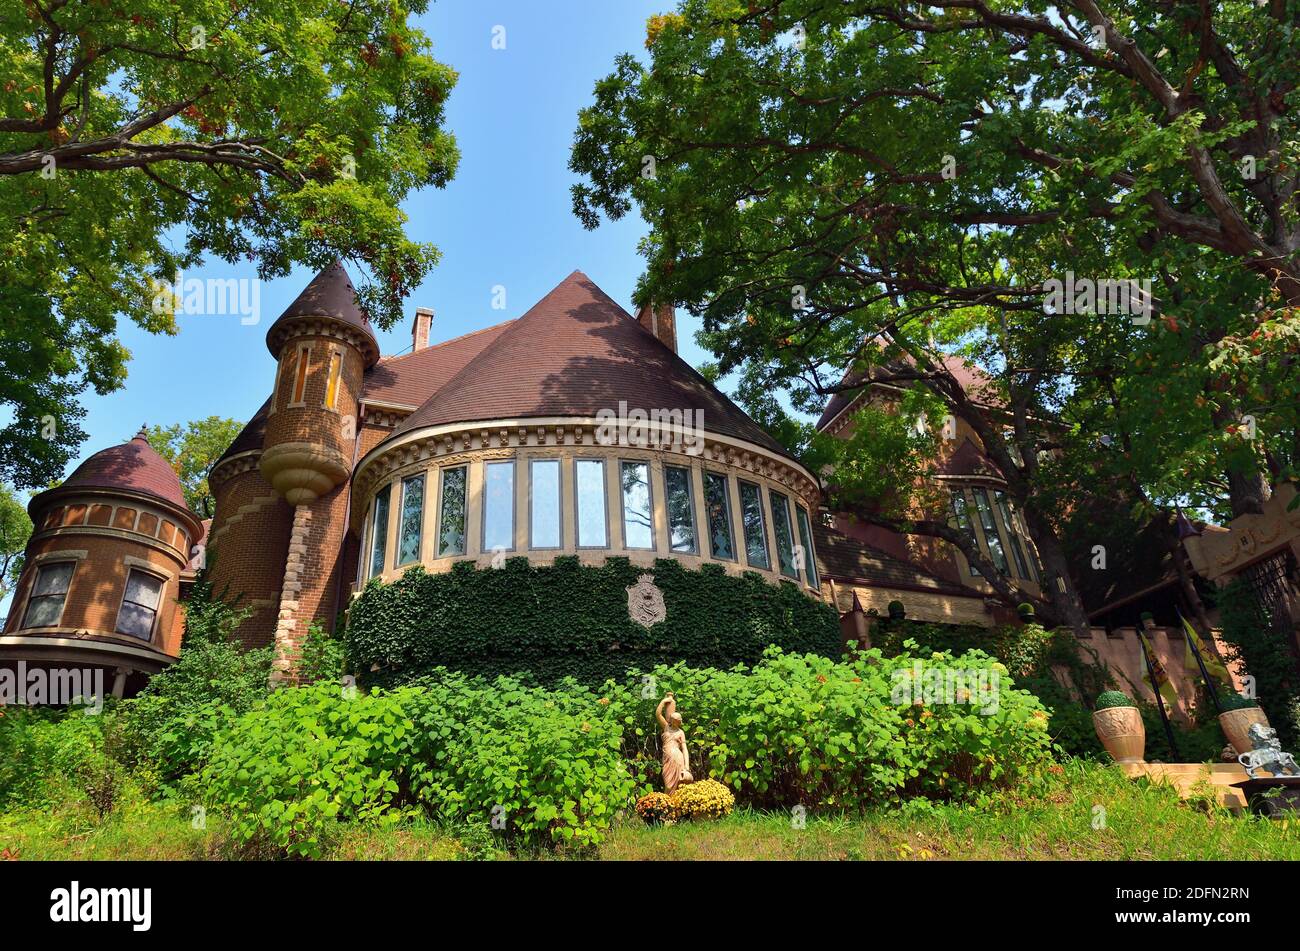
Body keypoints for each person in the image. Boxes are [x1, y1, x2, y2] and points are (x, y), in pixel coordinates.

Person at [656, 692, 693, 793]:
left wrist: (687, 767)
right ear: (672, 720)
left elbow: (685, 749)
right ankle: (667, 805)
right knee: (668, 784)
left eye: (678, 720)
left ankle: (675, 806)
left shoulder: (681, 732)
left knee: (679, 784)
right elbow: (658, 714)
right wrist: (664, 701)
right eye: (675, 720)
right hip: (667, 757)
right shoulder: (666, 727)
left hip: (678, 758)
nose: (677, 722)